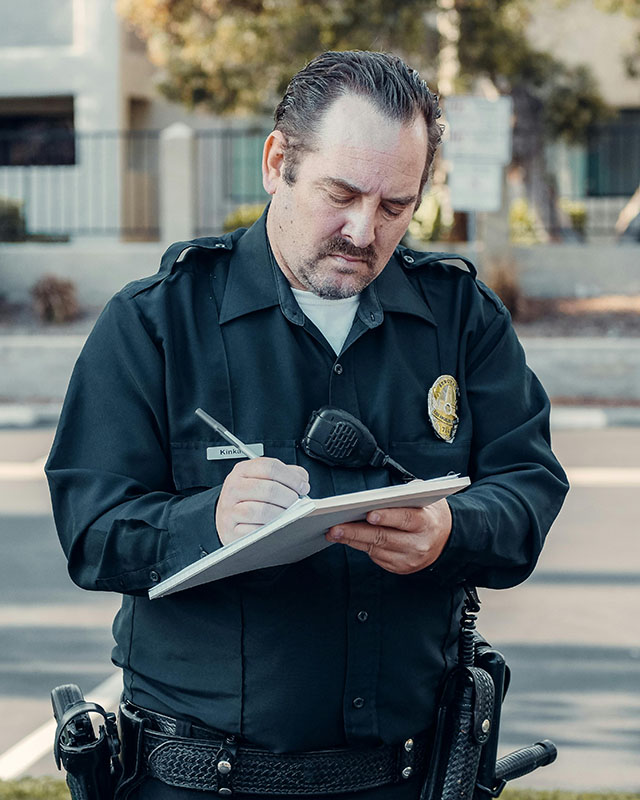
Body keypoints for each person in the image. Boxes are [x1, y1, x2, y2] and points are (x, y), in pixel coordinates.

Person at [46, 50, 569, 799]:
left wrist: (453, 530)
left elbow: (528, 486)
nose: (364, 230)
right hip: (197, 781)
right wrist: (209, 522)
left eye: (396, 206)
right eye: (342, 193)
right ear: (276, 161)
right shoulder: (157, 322)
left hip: (407, 777)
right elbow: (90, 530)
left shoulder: (460, 318)